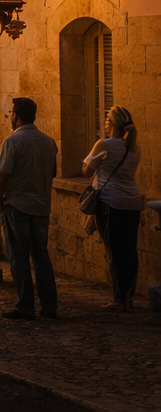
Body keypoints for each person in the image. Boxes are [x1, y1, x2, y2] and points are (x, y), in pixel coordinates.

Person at [0, 96, 59, 320]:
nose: (10, 116)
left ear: (17, 116)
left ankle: (25, 305)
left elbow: (3, 177)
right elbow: (53, 173)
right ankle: (49, 306)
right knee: (41, 256)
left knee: (18, 256)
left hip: (17, 206)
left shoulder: (12, 142)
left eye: (11, 112)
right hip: (41, 207)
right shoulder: (49, 142)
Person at [82, 105, 143, 312]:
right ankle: (129, 296)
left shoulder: (104, 145)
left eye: (107, 118)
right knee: (130, 250)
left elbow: (86, 171)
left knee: (114, 251)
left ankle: (119, 299)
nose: (105, 121)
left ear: (112, 124)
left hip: (110, 203)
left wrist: (95, 160)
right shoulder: (135, 147)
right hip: (133, 202)